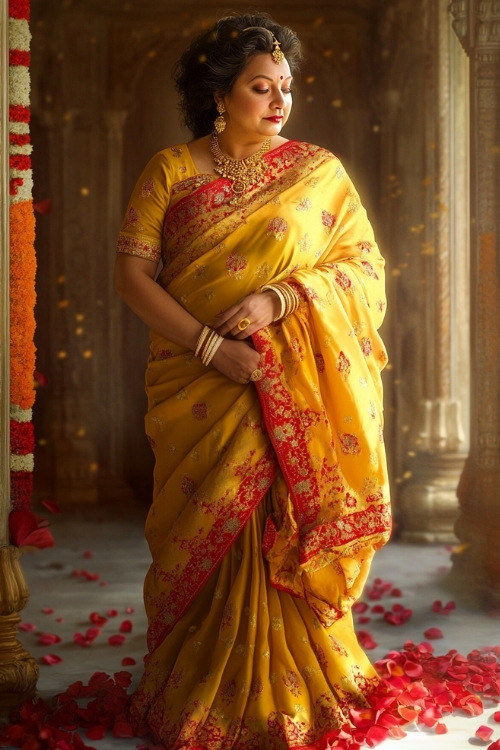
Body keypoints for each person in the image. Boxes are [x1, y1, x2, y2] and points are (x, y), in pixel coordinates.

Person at [114, 11, 392, 749]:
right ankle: (204, 686)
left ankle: (306, 682)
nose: (279, 103)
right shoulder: (171, 171)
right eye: (260, 88)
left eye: (286, 88)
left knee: (282, 526)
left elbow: (362, 269)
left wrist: (282, 297)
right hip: (200, 390)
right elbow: (132, 275)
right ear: (219, 95)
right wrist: (210, 347)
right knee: (210, 528)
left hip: (291, 391)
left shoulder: (319, 173)